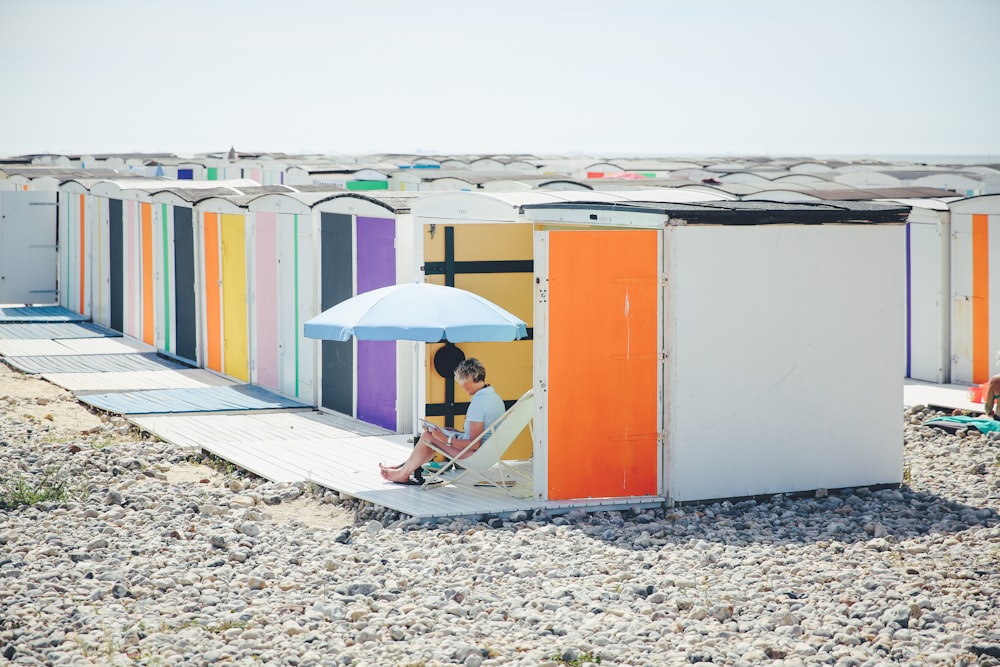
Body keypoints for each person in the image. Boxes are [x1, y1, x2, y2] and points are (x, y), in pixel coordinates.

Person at [380, 357, 505, 485]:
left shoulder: (478, 404)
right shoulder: (494, 398)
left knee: (428, 436)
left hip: (475, 456)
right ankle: (404, 468)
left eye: (462, 383)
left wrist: (447, 439)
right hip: (488, 453)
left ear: (470, 379)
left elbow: (474, 444)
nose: (462, 387)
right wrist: (456, 433)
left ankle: (403, 473)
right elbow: (482, 434)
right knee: (434, 436)